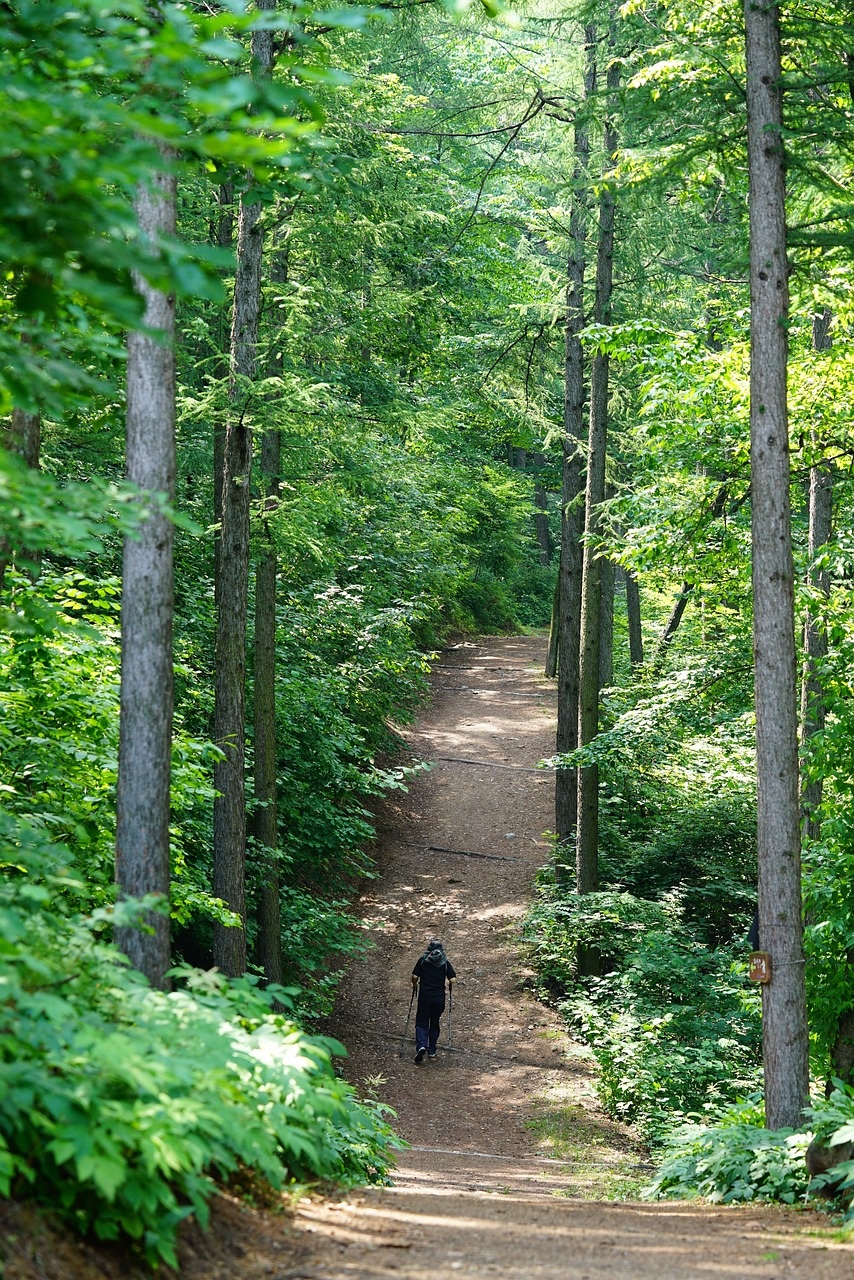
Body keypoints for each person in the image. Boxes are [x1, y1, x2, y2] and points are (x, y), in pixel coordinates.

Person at [411, 938, 455, 1064]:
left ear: (429, 950)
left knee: (421, 1021)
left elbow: (414, 976)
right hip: (439, 997)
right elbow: (452, 979)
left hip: (425, 996)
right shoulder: (445, 962)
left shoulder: (423, 961)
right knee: (434, 1021)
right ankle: (432, 1050)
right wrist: (450, 985)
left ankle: (421, 1046)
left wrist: (414, 985)